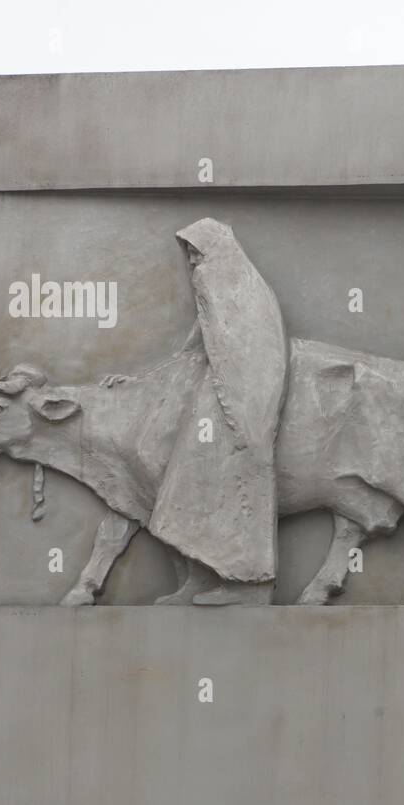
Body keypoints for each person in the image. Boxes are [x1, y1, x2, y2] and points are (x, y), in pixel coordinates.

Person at [146, 218, 287, 605]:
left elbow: (238, 345)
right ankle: (203, 574)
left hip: (235, 402)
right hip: (223, 397)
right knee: (187, 484)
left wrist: (233, 406)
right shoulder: (223, 278)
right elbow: (205, 335)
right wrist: (160, 376)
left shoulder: (218, 278)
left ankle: (245, 584)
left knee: (223, 486)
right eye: (189, 253)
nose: (192, 261)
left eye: (196, 251)